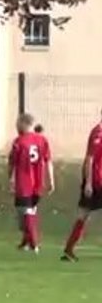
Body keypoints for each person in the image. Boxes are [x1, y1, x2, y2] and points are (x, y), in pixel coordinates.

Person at [8, 113, 54, 252]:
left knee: (24, 213)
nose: (16, 127)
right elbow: (48, 161)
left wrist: (10, 178)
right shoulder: (42, 140)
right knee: (32, 210)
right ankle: (26, 242)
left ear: (24, 124)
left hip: (24, 182)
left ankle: (34, 243)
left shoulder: (19, 141)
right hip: (38, 182)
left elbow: (12, 163)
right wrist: (51, 180)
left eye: (18, 124)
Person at [62, 109, 102, 261]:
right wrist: (89, 183)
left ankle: (69, 249)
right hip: (95, 181)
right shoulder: (97, 133)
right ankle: (69, 249)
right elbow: (90, 159)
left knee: (84, 215)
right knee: (83, 215)